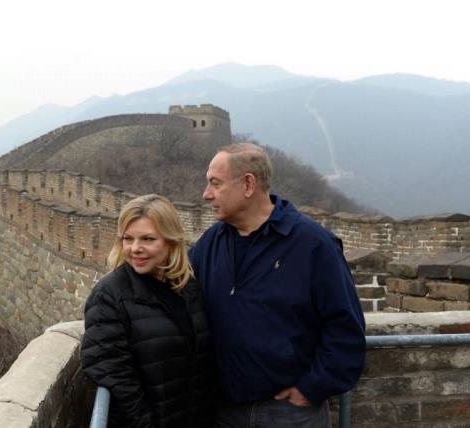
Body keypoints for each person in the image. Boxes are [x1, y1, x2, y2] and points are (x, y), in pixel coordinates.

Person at [189, 143, 366, 428]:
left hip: (289, 414)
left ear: (248, 184)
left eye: (215, 184)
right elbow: (177, 297)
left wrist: (312, 388)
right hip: (223, 411)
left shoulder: (311, 244)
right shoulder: (210, 244)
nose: (206, 194)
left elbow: (345, 325)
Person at [81, 194, 215, 428]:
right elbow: (112, 372)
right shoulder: (110, 295)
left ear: (171, 240)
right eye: (128, 239)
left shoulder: (187, 287)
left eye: (148, 239)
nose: (135, 249)